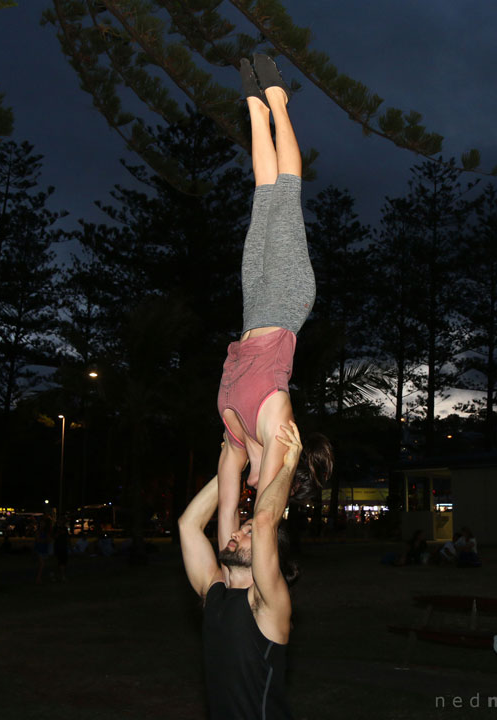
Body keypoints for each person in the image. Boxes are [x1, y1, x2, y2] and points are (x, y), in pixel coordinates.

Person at [216, 53, 332, 551]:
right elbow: (265, 513)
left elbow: (226, 504)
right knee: (286, 193)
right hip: (285, 302)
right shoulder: (278, 428)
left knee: (263, 196)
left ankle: (253, 107)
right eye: (262, 493)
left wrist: (229, 551)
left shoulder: (238, 439)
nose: (249, 490)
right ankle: (279, 101)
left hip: (252, 306)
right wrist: (276, 486)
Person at [179, 420, 302, 720]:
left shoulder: (267, 603)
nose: (236, 534)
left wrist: (288, 465)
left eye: (246, 532)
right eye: (242, 530)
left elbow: (263, 522)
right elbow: (189, 525)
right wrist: (234, 462)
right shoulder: (215, 591)